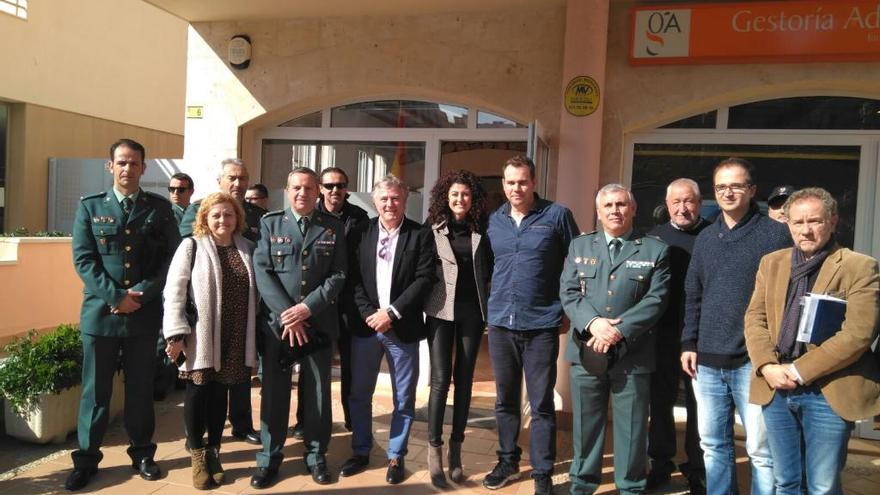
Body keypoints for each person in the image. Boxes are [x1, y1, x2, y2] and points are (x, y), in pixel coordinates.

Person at [745, 187, 880, 494]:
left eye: (815, 221)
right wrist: (767, 366)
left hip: (828, 392)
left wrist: (797, 371)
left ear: (833, 222)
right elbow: (754, 318)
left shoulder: (859, 266)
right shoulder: (772, 262)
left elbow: (858, 333)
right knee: (786, 480)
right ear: (787, 224)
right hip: (776, 388)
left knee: (821, 486)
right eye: (798, 222)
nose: (806, 230)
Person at [65, 139, 181, 491]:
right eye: (122, 162)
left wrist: (141, 295)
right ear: (110, 166)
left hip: (143, 316)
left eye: (134, 163)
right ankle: (86, 460)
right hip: (100, 315)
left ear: (144, 168)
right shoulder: (90, 207)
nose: (128, 168)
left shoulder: (158, 209)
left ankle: (143, 453)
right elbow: (84, 259)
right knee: (95, 393)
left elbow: (171, 259)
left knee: (141, 389)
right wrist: (116, 296)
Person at [680, 157, 791, 495]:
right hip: (707, 363)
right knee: (714, 446)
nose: (728, 192)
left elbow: (786, 298)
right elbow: (693, 293)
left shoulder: (775, 235)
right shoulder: (706, 238)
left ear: (752, 189)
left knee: (760, 450)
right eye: (721, 186)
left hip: (754, 362)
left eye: (736, 185)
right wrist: (688, 342)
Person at [561, 183, 670, 495]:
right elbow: (568, 292)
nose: (615, 211)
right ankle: (582, 483)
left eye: (621, 204)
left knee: (633, 428)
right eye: (608, 206)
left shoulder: (655, 249)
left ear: (633, 209)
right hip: (587, 351)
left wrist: (618, 330)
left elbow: (656, 299)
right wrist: (594, 323)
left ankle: (631, 487)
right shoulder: (579, 247)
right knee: (586, 424)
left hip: (633, 355)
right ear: (598, 212)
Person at [483, 156, 579, 495]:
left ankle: (541, 472)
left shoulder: (557, 216)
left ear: (534, 182)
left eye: (522, 181)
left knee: (540, 404)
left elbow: (577, 263)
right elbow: (485, 267)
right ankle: (508, 461)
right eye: (510, 182)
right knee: (505, 400)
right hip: (501, 324)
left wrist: (569, 308)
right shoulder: (495, 220)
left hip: (541, 324)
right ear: (504, 185)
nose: (516, 188)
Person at [249, 167, 347, 489]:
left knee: (318, 393)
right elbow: (263, 272)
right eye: (295, 187)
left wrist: (307, 309)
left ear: (318, 191)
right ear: (286, 190)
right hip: (279, 326)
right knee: (275, 393)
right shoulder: (270, 223)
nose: (301, 193)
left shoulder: (332, 226)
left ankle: (317, 455)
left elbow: (338, 275)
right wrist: (288, 315)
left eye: (307, 188)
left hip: (317, 324)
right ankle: (269, 458)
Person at [340, 175, 436, 485]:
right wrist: (371, 314)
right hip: (367, 327)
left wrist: (392, 313)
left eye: (395, 198)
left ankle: (396, 454)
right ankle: (361, 450)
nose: (390, 204)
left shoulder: (420, 234)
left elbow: (424, 279)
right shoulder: (360, 232)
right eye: (384, 199)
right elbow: (352, 279)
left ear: (405, 200)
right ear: (375, 201)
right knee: (359, 394)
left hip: (401, 328)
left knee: (404, 398)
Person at [162, 193, 258, 489]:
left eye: (228, 215)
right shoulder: (191, 246)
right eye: (216, 215)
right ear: (205, 218)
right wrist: (175, 334)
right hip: (201, 336)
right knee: (198, 393)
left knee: (221, 395)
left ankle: (214, 451)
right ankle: (197, 455)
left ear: (237, 218)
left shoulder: (247, 248)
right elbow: (174, 291)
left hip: (236, 334)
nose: (222, 220)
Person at [180, 158, 266, 446]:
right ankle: (197, 439)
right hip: (206, 315)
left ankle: (241, 425)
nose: (237, 184)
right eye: (232, 178)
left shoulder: (255, 213)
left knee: (239, 376)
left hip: (239, 316)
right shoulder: (198, 209)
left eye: (243, 178)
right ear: (220, 179)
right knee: (205, 383)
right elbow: (187, 254)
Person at [423, 170, 493, 487]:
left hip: (472, 313)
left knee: (464, 381)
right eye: (454, 194)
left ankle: (456, 453)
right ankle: (434, 453)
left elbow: (492, 270)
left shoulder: (483, 230)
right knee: (440, 381)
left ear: (473, 198)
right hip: (440, 311)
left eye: (465, 194)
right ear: (445, 197)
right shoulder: (432, 229)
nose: (459, 199)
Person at [290, 167, 370, 439]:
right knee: (310, 366)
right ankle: (305, 420)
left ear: (347, 188)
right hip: (316, 303)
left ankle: (351, 420)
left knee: (350, 365)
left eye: (341, 185)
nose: (335, 190)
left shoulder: (359, 218)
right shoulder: (311, 217)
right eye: (329, 185)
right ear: (320, 188)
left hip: (348, 304)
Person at [646, 178, 709, 493]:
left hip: (702, 337)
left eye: (689, 201)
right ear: (667, 205)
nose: (683, 208)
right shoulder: (654, 238)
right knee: (661, 402)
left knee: (700, 405)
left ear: (699, 203)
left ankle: (697, 468)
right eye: (676, 202)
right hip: (662, 334)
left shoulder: (713, 236)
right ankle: (660, 464)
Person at [152, 172, 196, 401]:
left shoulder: (197, 213)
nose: (175, 193)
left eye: (181, 189)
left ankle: (180, 377)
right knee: (166, 334)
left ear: (191, 191)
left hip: (192, 283)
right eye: (172, 189)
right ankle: (161, 383)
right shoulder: (162, 214)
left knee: (187, 331)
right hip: (168, 280)